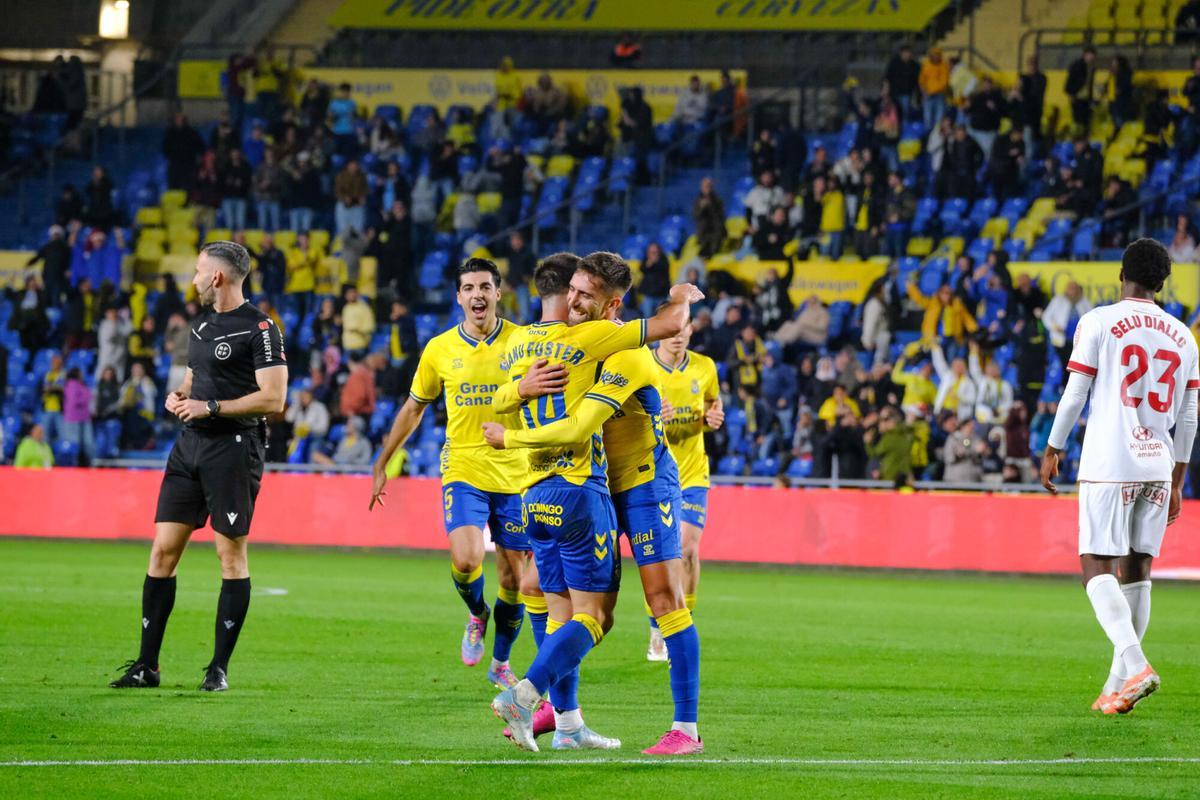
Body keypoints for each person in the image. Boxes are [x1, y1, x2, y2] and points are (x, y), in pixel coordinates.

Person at [481, 254, 701, 753]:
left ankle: (685, 729)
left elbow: (582, 423)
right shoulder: (568, 344)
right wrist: (520, 387)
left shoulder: (624, 352)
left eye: (586, 295)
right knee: (541, 587)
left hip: (643, 486)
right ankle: (565, 719)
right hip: (593, 486)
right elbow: (502, 392)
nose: (574, 301)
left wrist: (681, 299)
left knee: (663, 599)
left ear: (611, 305)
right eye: (573, 290)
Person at [108, 241, 287, 692]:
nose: (193, 279)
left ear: (218, 277)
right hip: (189, 447)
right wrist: (181, 396)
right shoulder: (202, 324)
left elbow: (274, 399)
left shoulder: (262, 328)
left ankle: (218, 668)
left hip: (233, 449)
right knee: (162, 552)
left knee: (230, 557)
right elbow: (194, 379)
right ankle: (148, 665)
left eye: (198, 271)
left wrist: (209, 406)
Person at [1040, 238, 1199, 715]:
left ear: (1121, 276)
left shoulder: (1099, 322)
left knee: (1095, 564)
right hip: (1158, 462)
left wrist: (1053, 447)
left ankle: (1135, 664)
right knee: (1138, 572)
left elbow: (1074, 395)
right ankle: (1116, 685)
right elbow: (1190, 416)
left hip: (1111, 460)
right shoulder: (1183, 336)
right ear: (1162, 283)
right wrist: (1176, 479)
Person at [367, 259, 534, 688]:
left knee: (514, 577)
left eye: (484, 286)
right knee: (466, 558)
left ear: (499, 293)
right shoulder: (440, 349)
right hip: (463, 465)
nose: (477, 294)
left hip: (516, 472)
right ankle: (477, 613)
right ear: (458, 297)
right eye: (468, 287)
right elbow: (413, 408)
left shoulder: (524, 341)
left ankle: (500, 663)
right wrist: (383, 460)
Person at [652, 318, 722, 654]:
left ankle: (683, 624)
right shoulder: (644, 366)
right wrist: (652, 417)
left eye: (684, 330)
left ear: (690, 331)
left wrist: (712, 420)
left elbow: (712, 407)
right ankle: (658, 624)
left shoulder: (705, 367)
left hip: (692, 472)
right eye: (672, 330)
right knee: (662, 556)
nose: (678, 337)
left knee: (688, 548)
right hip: (652, 473)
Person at [1043, 281, 1093, 366]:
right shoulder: (1058, 300)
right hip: (1061, 339)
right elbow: (1046, 317)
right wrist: (1054, 327)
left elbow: (1092, 318)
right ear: (1066, 290)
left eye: (1075, 288)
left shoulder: (1084, 302)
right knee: (1064, 365)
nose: (1073, 291)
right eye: (1070, 288)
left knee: (1078, 366)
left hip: (1079, 341)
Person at [27, 225, 71, 308]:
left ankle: (56, 316)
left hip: (59, 278)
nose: (55, 236)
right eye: (54, 234)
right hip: (47, 276)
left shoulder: (65, 248)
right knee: (46, 297)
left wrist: (68, 270)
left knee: (56, 298)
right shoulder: (48, 246)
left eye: (57, 234)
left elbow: (69, 261)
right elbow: (39, 256)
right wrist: (30, 263)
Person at [163, 112, 206, 192]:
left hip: (188, 165)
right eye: (177, 119)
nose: (179, 121)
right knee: (173, 188)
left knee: (187, 188)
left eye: (181, 119)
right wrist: (172, 157)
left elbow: (201, 148)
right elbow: (165, 148)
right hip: (175, 165)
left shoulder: (192, 133)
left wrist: (198, 160)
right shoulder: (170, 133)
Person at [62, 367, 95, 466]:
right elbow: (73, 401)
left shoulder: (82, 385)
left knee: (88, 443)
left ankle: (91, 464)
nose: (82, 374)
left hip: (84, 417)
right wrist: (87, 398)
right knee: (74, 444)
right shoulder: (71, 384)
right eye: (80, 372)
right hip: (72, 418)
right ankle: (73, 465)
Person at [1065, 47, 1097, 134]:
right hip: (1078, 97)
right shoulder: (1077, 65)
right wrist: (1071, 94)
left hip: (1086, 98)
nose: (1092, 57)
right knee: (1078, 121)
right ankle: (1079, 138)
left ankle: (1084, 136)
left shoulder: (1091, 67)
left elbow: (1089, 83)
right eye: (1091, 55)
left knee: (1086, 120)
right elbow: (1070, 81)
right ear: (1085, 55)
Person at [692, 177, 727, 258]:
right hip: (704, 233)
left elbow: (721, 217)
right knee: (704, 252)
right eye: (705, 186)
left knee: (714, 251)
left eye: (709, 186)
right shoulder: (698, 201)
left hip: (716, 232)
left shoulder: (717, 200)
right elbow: (695, 216)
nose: (707, 188)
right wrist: (701, 207)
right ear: (701, 187)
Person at [334, 159, 369, 238]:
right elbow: (337, 190)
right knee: (343, 231)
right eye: (351, 165)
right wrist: (344, 198)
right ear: (347, 166)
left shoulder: (362, 176)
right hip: (344, 205)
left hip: (357, 205)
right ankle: (345, 248)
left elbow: (366, 190)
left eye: (355, 165)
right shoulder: (341, 176)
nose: (353, 167)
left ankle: (357, 248)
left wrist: (363, 197)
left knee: (358, 230)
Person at [919, 47, 950, 133]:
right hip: (927, 96)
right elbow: (921, 81)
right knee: (927, 119)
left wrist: (931, 92)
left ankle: (937, 137)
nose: (936, 57)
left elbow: (944, 83)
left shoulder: (944, 66)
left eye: (937, 55)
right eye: (934, 55)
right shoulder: (926, 65)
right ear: (930, 56)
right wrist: (923, 92)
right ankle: (928, 138)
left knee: (938, 120)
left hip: (939, 96)